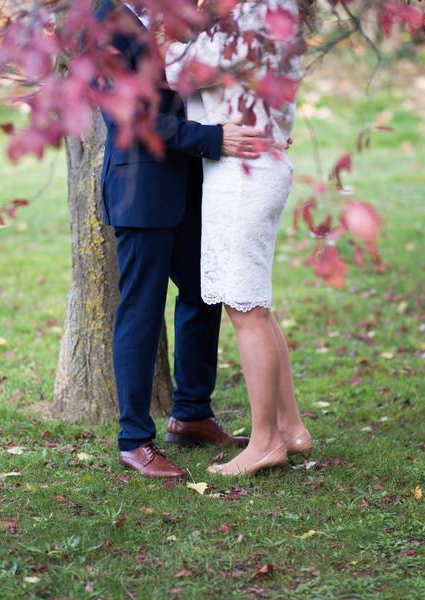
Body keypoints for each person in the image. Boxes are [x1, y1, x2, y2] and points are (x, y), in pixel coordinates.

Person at [95, 0, 274, 478]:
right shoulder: (102, 22)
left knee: (202, 293)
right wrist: (213, 139)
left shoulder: (171, 13)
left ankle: (192, 412)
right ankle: (134, 440)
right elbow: (133, 117)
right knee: (142, 309)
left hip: (193, 185)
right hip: (142, 189)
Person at [163, 0, 314, 476]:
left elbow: (182, 72)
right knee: (254, 306)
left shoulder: (254, 14)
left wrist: (164, 41)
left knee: (245, 308)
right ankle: (291, 428)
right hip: (251, 166)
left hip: (244, 172)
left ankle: (265, 441)